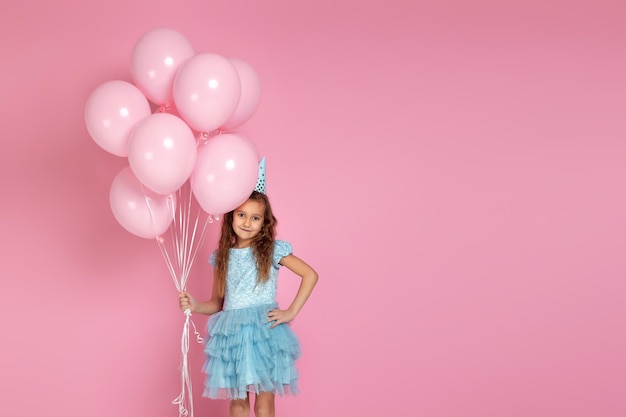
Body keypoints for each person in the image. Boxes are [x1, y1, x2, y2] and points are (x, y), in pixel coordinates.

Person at [179, 159, 318, 417]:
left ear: (264, 222)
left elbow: (310, 274)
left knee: (264, 404)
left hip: (263, 333)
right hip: (231, 336)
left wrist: (290, 312)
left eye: (255, 218)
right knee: (238, 402)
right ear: (231, 216)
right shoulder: (223, 256)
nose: (246, 222)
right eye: (241, 215)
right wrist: (197, 305)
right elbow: (218, 302)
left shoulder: (272, 251)